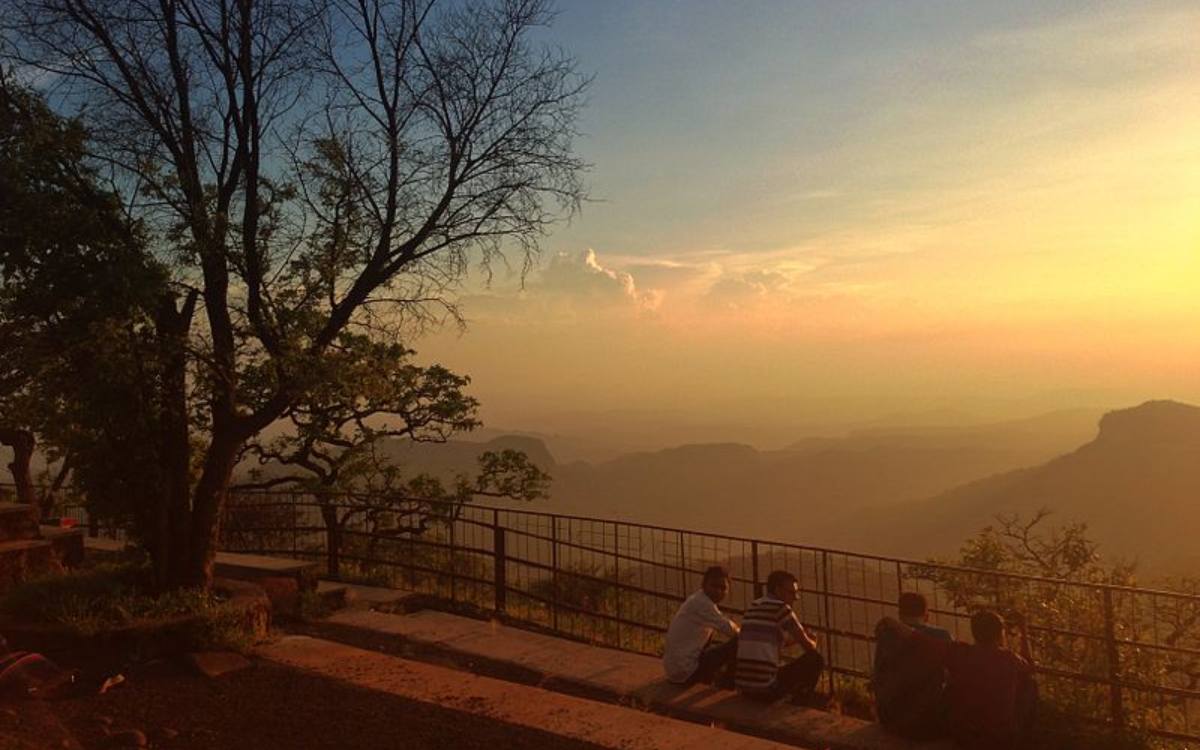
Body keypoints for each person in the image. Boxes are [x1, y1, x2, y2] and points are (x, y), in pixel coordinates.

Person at [877, 609, 1038, 750]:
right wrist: (1023, 629)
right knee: (1030, 684)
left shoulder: (960, 653)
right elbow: (1030, 667)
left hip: (962, 733)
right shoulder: (1009, 659)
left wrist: (891, 622)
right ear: (1000, 633)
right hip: (999, 738)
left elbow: (920, 640)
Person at [735, 570, 826, 706]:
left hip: (743, 686)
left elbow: (768, 642)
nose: (795, 598)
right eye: (792, 592)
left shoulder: (754, 606)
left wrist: (795, 640)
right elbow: (809, 647)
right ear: (778, 590)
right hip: (766, 688)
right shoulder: (782, 609)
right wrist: (813, 639)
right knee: (816, 659)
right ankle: (798, 704)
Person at [873, 592, 951, 740]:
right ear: (927, 615)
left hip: (890, 718)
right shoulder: (941, 637)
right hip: (929, 722)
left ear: (900, 614)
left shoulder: (888, 635)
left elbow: (878, 675)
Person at [663, 565, 740, 686]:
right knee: (739, 641)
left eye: (723, 588)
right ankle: (727, 684)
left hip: (676, 668)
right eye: (714, 586)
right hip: (686, 670)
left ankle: (716, 678)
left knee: (714, 643)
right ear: (704, 585)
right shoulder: (703, 604)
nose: (718, 591)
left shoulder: (697, 599)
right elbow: (730, 630)